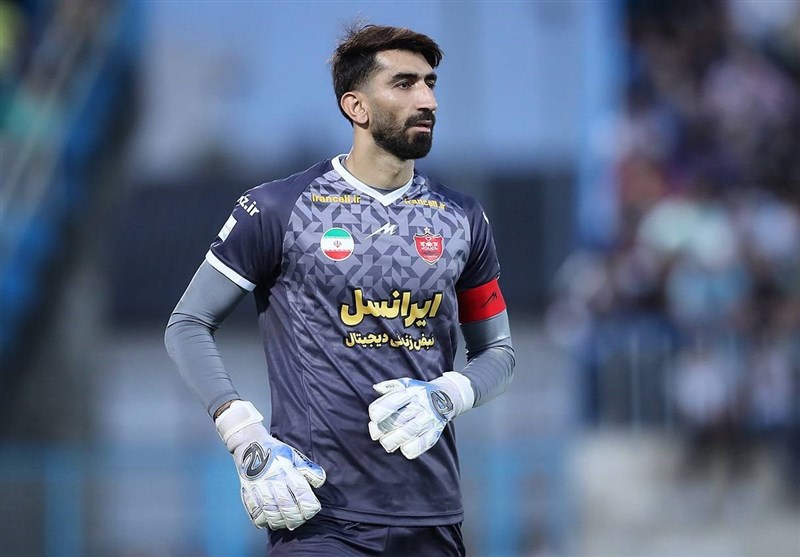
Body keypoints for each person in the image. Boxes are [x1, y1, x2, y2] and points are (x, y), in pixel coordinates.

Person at [165, 23, 515, 557]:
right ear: (356, 106)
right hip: (319, 520)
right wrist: (245, 437)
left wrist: (448, 395)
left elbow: (498, 352)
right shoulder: (279, 209)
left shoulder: (463, 218)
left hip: (433, 518)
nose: (427, 100)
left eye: (430, 83)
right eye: (404, 84)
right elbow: (188, 325)